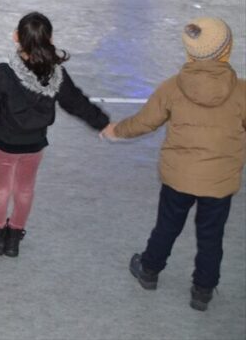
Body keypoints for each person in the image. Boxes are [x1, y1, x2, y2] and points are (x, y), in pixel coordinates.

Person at [102, 18, 244, 313]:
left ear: (190, 54)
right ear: (227, 50)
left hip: (178, 178)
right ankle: (203, 290)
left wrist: (117, 130)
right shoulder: (242, 91)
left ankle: (149, 270)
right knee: (211, 235)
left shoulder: (171, 88)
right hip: (218, 181)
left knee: (167, 225)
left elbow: (145, 122)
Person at [0, 12, 110, 258]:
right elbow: (76, 102)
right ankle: (14, 236)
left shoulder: (5, 73)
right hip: (35, 144)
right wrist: (102, 123)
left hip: (5, 143)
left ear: (16, 37)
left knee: (1, 189)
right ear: (50, 38)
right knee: (25, 190)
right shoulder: (56, 75)